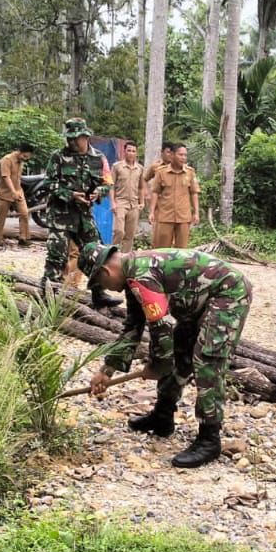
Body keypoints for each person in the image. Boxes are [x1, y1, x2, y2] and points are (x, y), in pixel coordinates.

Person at [80, 243, 252, 469]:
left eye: (102, 284)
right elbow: (132, 328)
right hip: (198, 303)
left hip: (228, 293)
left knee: (208, 360)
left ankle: (210, 439)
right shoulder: (131, 278)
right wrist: (106, 370)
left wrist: (158, 365)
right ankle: (163, 416)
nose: (109, 289)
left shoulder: (141, 275)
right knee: (181, 350)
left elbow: (162, 327)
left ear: (105, 272)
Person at [39, 118, 115, 307]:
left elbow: (107, 183)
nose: (71, 142)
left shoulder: (99, 158)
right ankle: (49, 298)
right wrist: (71, 195)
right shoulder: (58, 156)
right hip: (61, 215)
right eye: (69, 138)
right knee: (56, 255)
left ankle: (99, 294)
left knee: (96, 253)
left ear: (85, 137)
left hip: (84, 215)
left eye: (75, 138)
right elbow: (48, 184)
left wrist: (98, 192)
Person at [147, 143, 200, 248]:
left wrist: (196, 213)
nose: (183, 158)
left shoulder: (190, 172)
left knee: (181, 250)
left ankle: (178, 266)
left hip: (184, 217)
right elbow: (155, 192)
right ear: (172, 155)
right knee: (162, 249)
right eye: (180, 155)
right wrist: (152, 212)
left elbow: (194, 193)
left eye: (185, 155)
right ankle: (161, 265)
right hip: (165, 216)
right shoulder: (161, 172)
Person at [0, 141, 33, 247]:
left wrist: (16, 191)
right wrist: (12, 192)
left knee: (24, 213)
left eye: (28, 157)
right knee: (1, 217)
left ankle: (23, 238)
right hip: (5, 193)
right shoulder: (7, 160)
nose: (25, 158)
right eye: (24, 156)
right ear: (19, 151)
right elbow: (6, 177)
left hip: (18, 191)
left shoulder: (21, 161)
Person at [111, 141, 148, 253]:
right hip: (120, 202)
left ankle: (124, 259)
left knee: (130, 235)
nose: (131, 153)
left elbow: (141, 187)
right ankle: (113, 254)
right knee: (119, 231)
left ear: (136, 153)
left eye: (133, 151)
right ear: (124, 151)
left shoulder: (140, 168)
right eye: (129, 150)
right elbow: (111, 186)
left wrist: (142, 202)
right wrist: (113, 203)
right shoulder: (117, 166)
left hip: (134, 204)